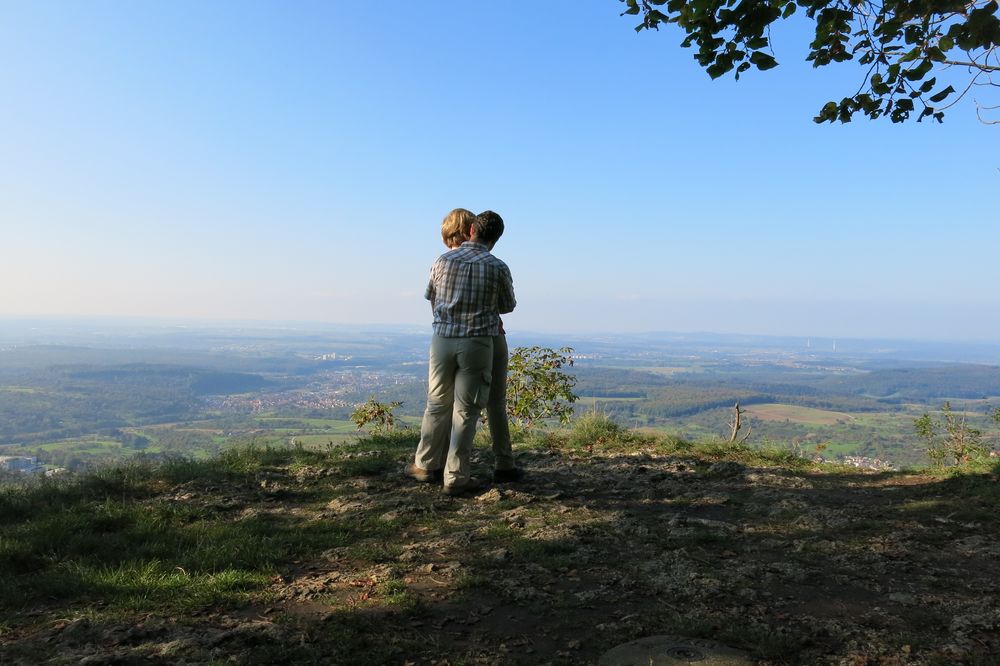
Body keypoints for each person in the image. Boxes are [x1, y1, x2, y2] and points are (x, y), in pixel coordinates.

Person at [407, 208, 516, 496]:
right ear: (496, 238)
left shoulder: (442, 260)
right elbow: (507, 305)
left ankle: (425, 464)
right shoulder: (497, 267)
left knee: (436, 401)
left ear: (471, 231)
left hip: (441, 338)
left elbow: (431, 295)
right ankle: (455, 476)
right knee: (466, 409)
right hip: (477, 341)